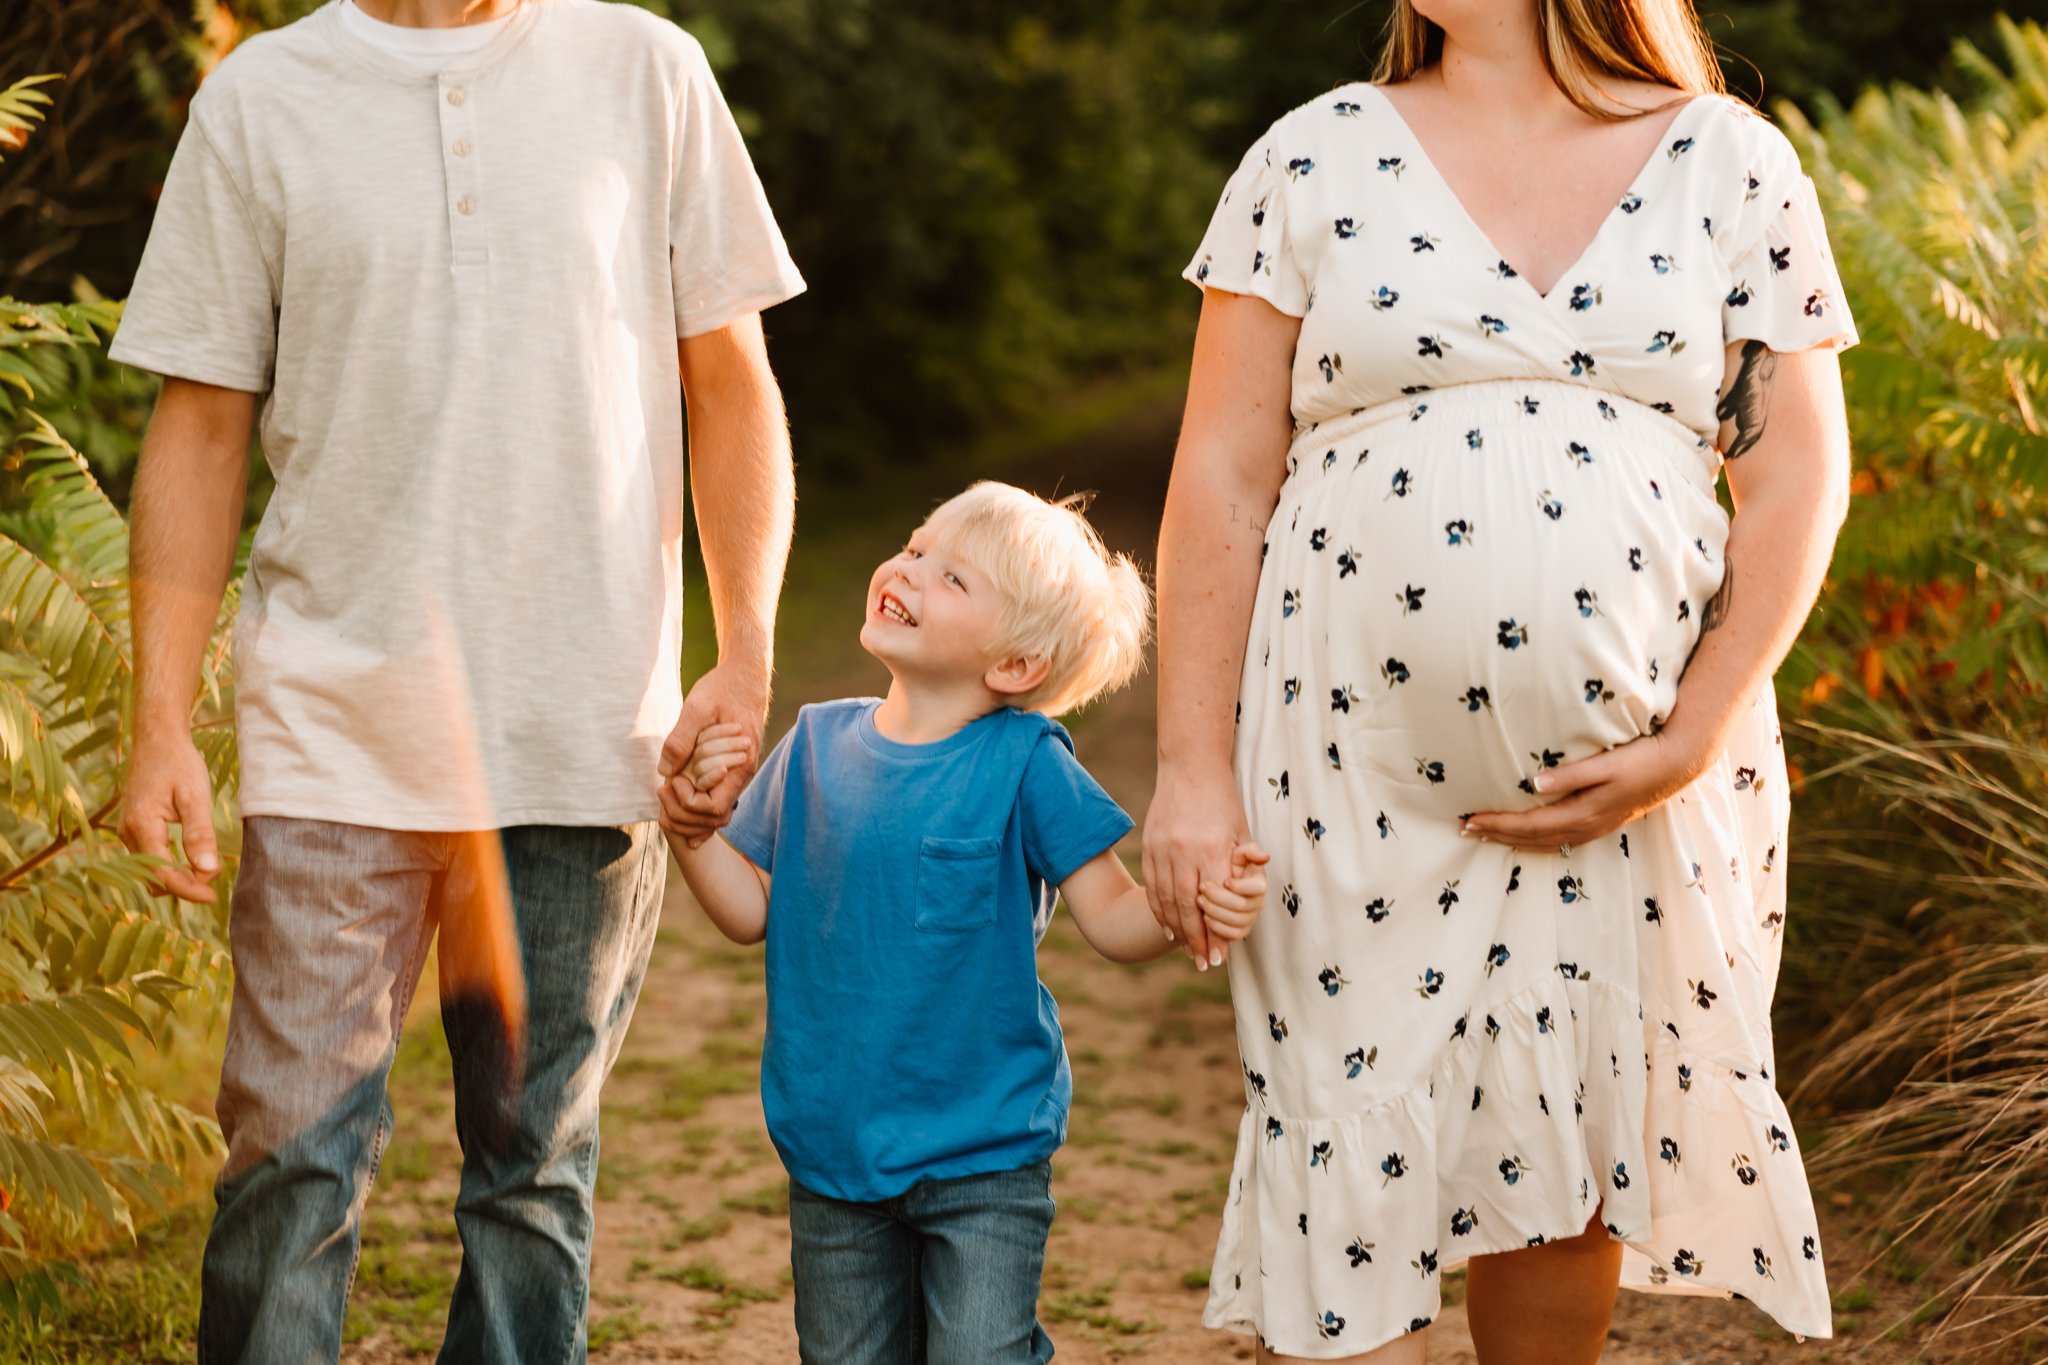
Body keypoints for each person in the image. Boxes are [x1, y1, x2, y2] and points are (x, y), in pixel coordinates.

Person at [1144, 0, 1856, 1359]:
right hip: (1342, 759)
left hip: (1638, 771)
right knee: (1335, 1133)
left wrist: (1695, 732)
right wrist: (1186, 769)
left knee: (1569, 1142)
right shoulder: (1311, 159)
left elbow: (1796, 478)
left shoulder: (1727, 159)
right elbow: (1220, 484)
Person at [109, 0, 805, 1359]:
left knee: (534, 1166)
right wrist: (157, 727)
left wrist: (747, 648)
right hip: (334, 725)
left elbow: (730, 378)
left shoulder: (646, 71)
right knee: (289, 1159)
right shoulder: (262, 97)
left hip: (584, 721)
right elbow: (197, 419)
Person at [664, 482, 1268, 1364]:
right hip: (832, 1143)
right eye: (914, 547)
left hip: (983, 1151)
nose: (907, 569)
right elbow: (750, 907)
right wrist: (691, 837)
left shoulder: (1026, 762)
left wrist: (1191, 906)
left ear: (1016, 665)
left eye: (951, 576)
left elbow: (1113, 916)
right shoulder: (813, 745)